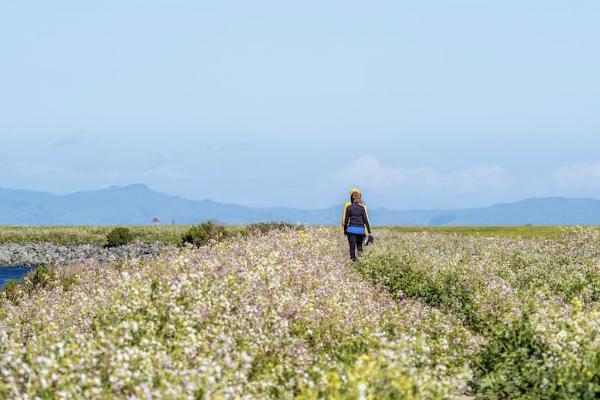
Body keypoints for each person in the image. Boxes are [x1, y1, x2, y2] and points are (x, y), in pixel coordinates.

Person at [342, 188, 372, 261]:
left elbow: (346, 220)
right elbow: (366, 221)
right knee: (359, 246)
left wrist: (345, 230)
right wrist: (369, 231)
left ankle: (353, 261)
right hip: (361, 231)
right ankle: (360, 260)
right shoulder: (362, 208)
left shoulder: (349, 208)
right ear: (359, 198)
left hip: (351, 230)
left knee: (352, 248)